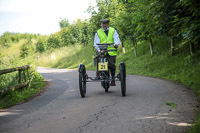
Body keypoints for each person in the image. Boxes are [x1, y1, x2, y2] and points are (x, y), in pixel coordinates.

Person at [94, 19, 120, 86]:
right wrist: (99, 50)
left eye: (105, 24)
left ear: (108, 24)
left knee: (112, 65)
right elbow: (96, 43)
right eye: (103, 24)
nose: (104, 25)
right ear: (101, 24)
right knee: (100, 61)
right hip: (102, 51)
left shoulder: (112, 30)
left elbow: (116, 38)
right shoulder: (98, 32)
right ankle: (98, 73)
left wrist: (116, 44)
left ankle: (113, 79)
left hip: (111, 51)